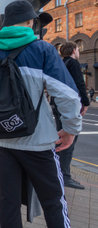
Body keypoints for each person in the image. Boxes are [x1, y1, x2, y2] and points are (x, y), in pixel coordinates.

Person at [0, 0, 82, 228]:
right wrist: (70, 129)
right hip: (38, 142)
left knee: (7, 202)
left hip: (0, 141)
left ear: (5, 23)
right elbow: (68, 96)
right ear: (30, 22)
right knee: (53, 201)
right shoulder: (42, 50)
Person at [53, 42, 89, 189]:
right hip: (69, 106)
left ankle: (59, 172)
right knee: (70, 141)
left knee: (62, 139)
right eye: (78, 49)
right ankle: (65, 176)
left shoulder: (61, 64)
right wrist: (85, 103)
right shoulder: (73, 63)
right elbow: (80, 84)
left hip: (58, 105)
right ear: (74, 50)